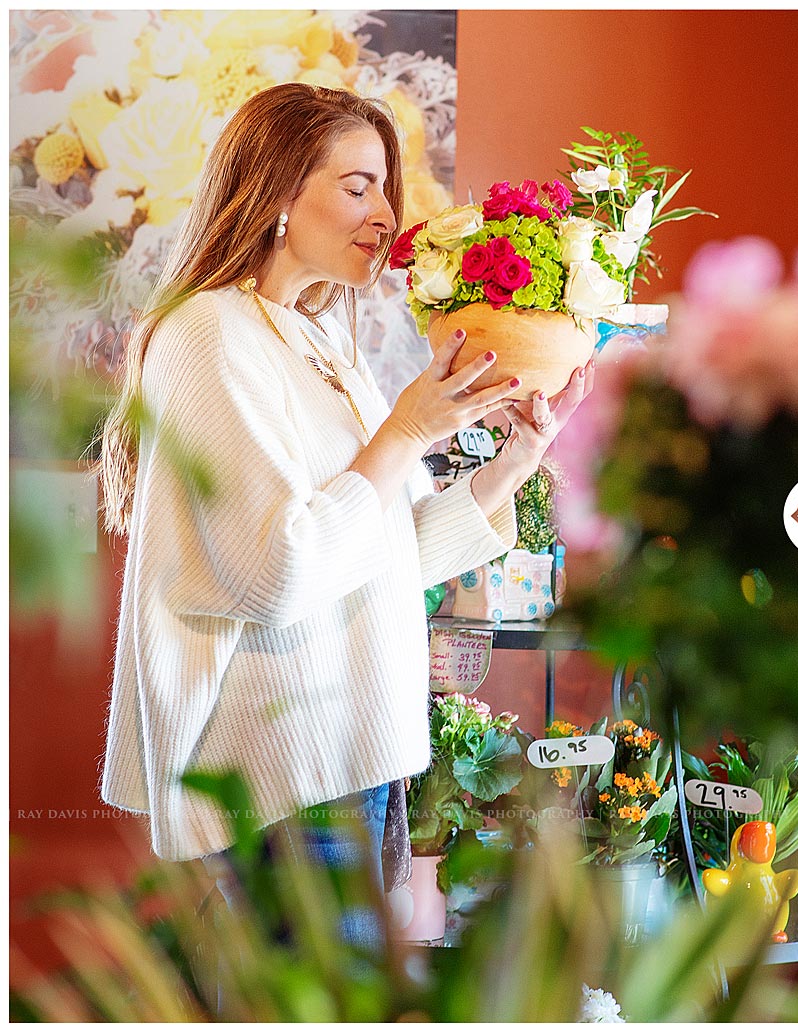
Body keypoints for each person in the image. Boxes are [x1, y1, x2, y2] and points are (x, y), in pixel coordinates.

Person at [96, 84, 592, 925]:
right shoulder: (209, 332)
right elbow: (276, 572)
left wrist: (522, 455)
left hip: (346, 772)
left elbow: (392, 553)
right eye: (357, 185)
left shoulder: (314, 344)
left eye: (385, 188)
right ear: (277, 194)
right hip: (287, 784)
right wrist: (405, 426)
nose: (385, 211)